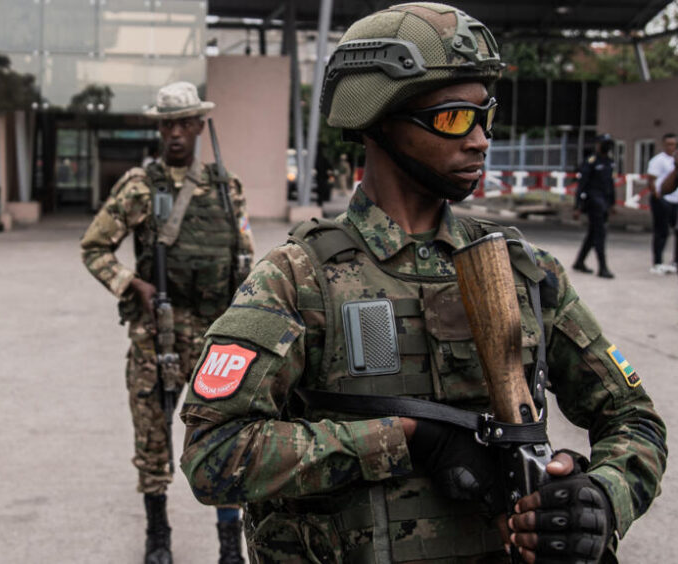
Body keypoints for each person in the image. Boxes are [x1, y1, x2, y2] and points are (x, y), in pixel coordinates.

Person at [179, 4, 666, 563]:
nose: (480, 140)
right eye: (455, 118)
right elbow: (213, 454)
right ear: (379, 118)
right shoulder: (299, 278)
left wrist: (601, 498)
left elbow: (634, 419)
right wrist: (407, 439)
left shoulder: (525, 272)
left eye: (486, 116)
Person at [81, 81, 255, 564]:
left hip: (216, 336)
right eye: (167, 124)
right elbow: (94, 248)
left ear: (199, 126)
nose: (175, 133)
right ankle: (158, 536)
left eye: (184, 123)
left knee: (224, 439)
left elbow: (245, 256)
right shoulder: (140, 186)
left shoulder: (227, 188)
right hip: (156, 335)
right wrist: (132, 285)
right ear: (159, 129)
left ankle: (229, 546)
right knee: (152, 439)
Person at [572, 134, 617, 279]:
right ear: (598, 145)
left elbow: (611, 184)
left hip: (604, 202)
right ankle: (603, 268)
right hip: (593, 202)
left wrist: (612, 203)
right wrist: (577, 206)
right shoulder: (591, 161)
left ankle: (579, 262)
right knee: (599, 234)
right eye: (604, 143)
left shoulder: (610, 162)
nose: (606, 146)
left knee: (593, 234)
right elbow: (581, 185)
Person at [646, 133, 678, 274]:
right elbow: (652, 180)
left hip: (676, 200)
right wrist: (657, 195)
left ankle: (675, 262)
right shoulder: (658, 160)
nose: (671, 147)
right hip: (663, 199)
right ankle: (657, 262)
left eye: (674, 144)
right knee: (662, 231)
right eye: (669, 144)